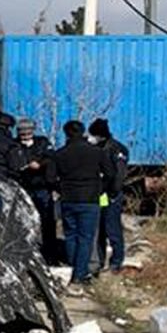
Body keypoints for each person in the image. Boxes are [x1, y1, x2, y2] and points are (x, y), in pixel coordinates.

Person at [51, 120, 115, 293]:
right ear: (83, 131)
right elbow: (110, 173)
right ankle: (80, 274)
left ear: (66, 133)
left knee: (70, 235)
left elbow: (50, 178)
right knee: (86, 238)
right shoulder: (96, 153)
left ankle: (73, 268)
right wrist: (100, 189)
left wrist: (62, 189)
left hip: (68, 199)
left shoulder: (60, 154)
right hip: (90, 199)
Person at [15, 118, 60, 263]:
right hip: (24, 187)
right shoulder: (14, 145)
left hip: (42, 187)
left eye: (28, 134)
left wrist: (40, 164)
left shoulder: (43, 143)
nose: (26, 137)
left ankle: (50, 255)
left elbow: (52, 158)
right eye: (23, 134)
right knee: (24, 221)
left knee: (48, 222)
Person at [89, 117, 131, 274]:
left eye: (93, 134)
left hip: (111, 195)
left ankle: (116, 262)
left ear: (100, 135)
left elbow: (119, 175)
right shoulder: (96, 149)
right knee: (99, 229)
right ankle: (99, 261)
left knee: (112, 229)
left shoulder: (116, 149)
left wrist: (112, 193)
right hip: (98, 195)